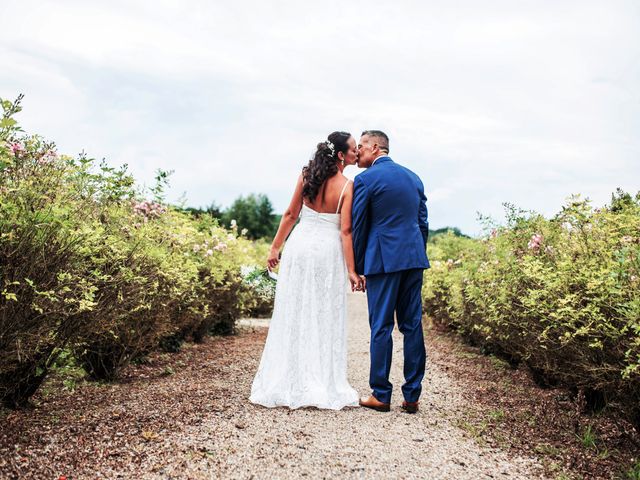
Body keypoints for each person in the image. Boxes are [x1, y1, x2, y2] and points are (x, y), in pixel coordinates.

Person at [249, 131, 362, 410]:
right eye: (352, 150)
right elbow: (346, 231)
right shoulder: (348, 186)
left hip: (299, 248)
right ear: (340, 155)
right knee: (324, 312)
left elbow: (290, 215)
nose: (356, 154)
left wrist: (275, 248)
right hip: (326, 252)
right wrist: (352, 269)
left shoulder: (306, 175)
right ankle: (320, 381)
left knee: (294, 309)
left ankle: (290, 378)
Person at [352, 130, 430, 414]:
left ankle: (381, 394)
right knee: (412, 325)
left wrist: (358, 267)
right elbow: (422, 224)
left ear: (375, 147)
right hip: (413, 258)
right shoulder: (414, 177)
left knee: (381, 326)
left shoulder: (365, 180)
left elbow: (359, 227)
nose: (357, 151)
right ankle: (412, 396)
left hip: (383, 261)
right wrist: (415, 251)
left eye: (361, 146)